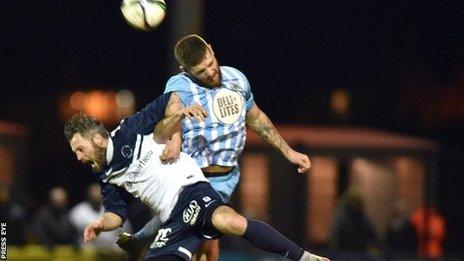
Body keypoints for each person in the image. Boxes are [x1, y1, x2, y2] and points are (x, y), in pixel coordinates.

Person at [63, 93, 328, 261]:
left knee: (231, 222)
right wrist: (100, 225)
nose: (78, 157)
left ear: (97, 138)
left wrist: (176, 132)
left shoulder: (129, 130)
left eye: (80, 149)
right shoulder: (107, 175)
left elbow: (171, 98)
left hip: (191, 190)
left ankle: (305, 257)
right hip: (172, 219)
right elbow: (116, 215)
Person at [119, 34, 312, 260]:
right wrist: (175, 138)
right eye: (201, 71)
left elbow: (256, 118)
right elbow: (169, 119)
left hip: (226, 180)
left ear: (211, 49)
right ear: (185, 69)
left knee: (205, 243)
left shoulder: (237, 79)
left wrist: (289, 152)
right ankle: (143, 238)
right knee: (207, 244)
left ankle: (141, 239)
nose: (210, 72)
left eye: (210, 64)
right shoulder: (179, 85)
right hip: (189, 178)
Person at [69, 183, 132, 249]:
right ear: (88, 194)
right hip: (87, 254)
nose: (95, 195)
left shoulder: (113, 210)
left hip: (112, 253)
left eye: (98, 192)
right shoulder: (78, 211)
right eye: (93, 192)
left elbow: (127, 231)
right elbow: (72, 235)